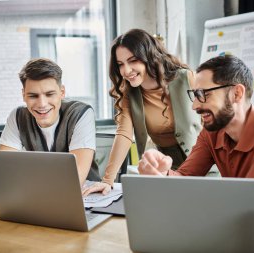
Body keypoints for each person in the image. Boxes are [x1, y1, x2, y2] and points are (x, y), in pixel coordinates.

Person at [138, 55, 254, 210]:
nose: (195, 106)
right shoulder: (212, 133)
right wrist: (161, 173)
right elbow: (184, 179)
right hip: (251, 230)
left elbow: (251, 201)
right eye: (195, 95)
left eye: (204, 94)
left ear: (237, 93)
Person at [82, 28, 202, 196]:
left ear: (149, 56)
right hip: (164, 170)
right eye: (120, 64)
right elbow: (123, 134)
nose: (126, 70)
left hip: (204, 164)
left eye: (133, 61)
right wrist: (107, 180)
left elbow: (212, 124)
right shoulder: (129, 93)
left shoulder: (186, 78)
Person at [0, 58, 100, 185]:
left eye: (49, 94)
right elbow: (3, 170)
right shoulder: (17, 117)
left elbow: (75, 179)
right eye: (33, 96)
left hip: (86, 196)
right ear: (23, 95)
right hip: (37, 194)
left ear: (61, 92)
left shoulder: (80, 113)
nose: (42, 104)